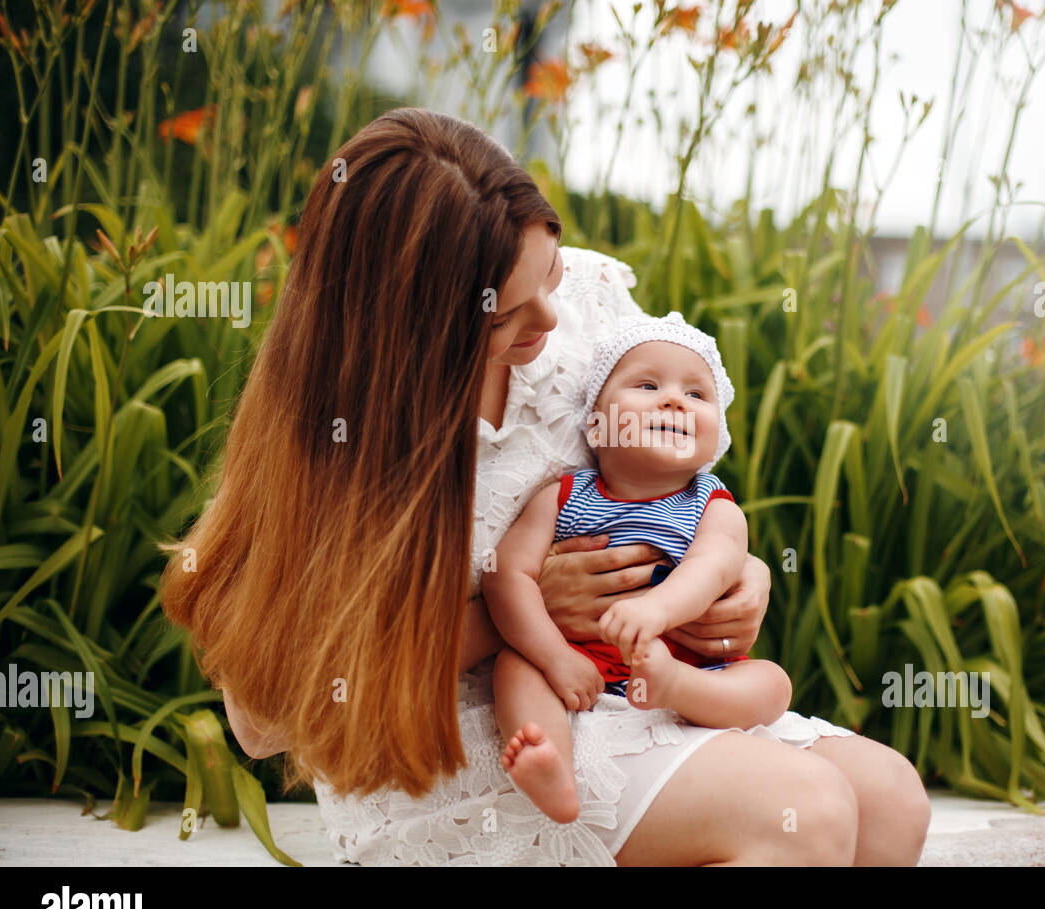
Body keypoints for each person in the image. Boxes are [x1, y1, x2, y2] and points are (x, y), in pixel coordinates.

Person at [161, 107, 931, 866]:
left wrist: (739, 578)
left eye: (551, 274)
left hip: (633, 685)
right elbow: (261, 723)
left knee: (891, 801)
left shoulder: (589, 300)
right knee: (807, 815)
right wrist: (519, 615)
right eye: (508, 314)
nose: (551, 320)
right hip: (473, 740)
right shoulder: (330, 436)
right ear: (416, 334)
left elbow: (681, 482)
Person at [483, 316, 793, 823]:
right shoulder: (562, 496)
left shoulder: (713, 506)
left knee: (771, 683)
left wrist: (656, 609)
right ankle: (552, 769)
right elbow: (507, 576)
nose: (674, 400)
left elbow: (711, 570)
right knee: (515, 668)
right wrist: (555, 655)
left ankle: (677, 692)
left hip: (687, 659)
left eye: (697, 394)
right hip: (579, 661)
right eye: (648, 386)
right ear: (595, 423)